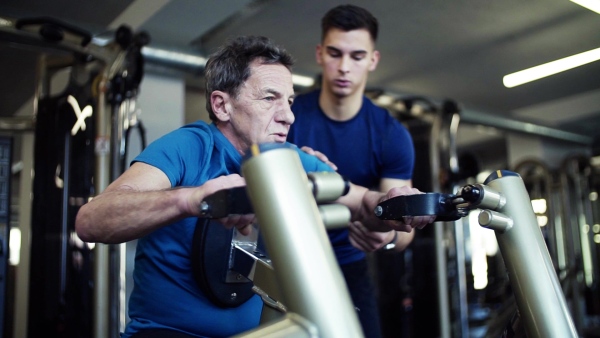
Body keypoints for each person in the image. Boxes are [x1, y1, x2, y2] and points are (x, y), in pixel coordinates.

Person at [75, 35, 430, 338]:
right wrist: (191, 199)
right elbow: (91, 221)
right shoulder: (189, 147)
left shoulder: (289, 160)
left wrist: (392, 204)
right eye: (270, 98)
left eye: (289, 101)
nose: (288, 115)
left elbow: (364, 201)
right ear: (222, 105)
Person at [287, 5, 417, 338]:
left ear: (373, 60)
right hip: (285, 260)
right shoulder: (287, 118)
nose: (344, 67)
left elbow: (405, 228)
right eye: (335, 53)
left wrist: (388, 236)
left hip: (348, 265)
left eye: (357, 56)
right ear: (319, 54)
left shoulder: (391, 135)